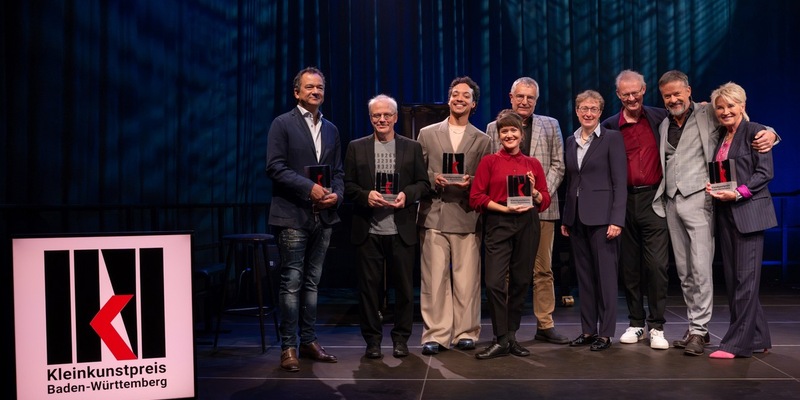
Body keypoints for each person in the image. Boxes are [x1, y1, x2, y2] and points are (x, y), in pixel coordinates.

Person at [655, 70, 778, 356]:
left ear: (688, 91)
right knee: (685, 271)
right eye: (667, 95)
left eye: (677, 93)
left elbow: (745, 121)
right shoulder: (663, 123)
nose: (673, 99)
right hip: (673, 201)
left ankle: (701, 330)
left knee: (702, 269)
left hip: (702, 200)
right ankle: (699, 327)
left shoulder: (708, 112)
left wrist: (772, 133)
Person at [266, 67, 343, 372]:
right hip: (292, 215)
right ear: (297, 92)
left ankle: (309, 341)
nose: (315, 91)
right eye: (309, 87)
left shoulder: (331, 129)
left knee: (312, 283)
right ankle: (288, 346)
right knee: (292, 282)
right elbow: (275, 167)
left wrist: (337, 195)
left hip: (323, 217)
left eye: (320, 87)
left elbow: (338, 171)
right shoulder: (282, 123)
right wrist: (308, 187)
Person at [344, 94, 429, 359]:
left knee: (404, 290)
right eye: (376, 115)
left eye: (386, 115)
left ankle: (401, 339)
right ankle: (372, 341)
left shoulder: (411, 147)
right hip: (368, 230)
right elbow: (347, 186)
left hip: (401, 229)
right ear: (370, 118)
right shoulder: (356, 147)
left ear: (395, 117)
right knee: (369, 291)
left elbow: (423, 184)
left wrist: (407, 195)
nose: (382, 119)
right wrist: (365, 195)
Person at [486, 77, 568, 344]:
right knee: (508, 273)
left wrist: (538, 195)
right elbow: (491, 167)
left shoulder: (550, 124)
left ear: (536, 100)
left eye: (530, 97)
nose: (524, 101)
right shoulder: (493, 127)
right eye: (520, 96)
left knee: (543, 270)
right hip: (505, 213)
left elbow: (558, 164)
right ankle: (507, 331)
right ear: (511, 97)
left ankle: (545, 324)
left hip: (541, 209)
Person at [416, 76, 492, 355]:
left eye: (465, 96)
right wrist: (433, 178)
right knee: (434, 278)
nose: (459, 99)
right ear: (449, 99)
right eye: (455, 94)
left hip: (466, 214)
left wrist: (472, 182)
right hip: (434, 213)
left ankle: (465, 332)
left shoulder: (483, 139)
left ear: (474, 104)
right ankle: (436, 334)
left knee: (467, 279)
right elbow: (417, 172)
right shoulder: (427, 133)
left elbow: (487, 178)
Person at [469, 110, 551, 359]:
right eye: (504, 131)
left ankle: (511, 337)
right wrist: (504, 208)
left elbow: (545, 200)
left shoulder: (533, 164)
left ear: (521, 134)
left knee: (521, 281)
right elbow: (476, 197)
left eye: (513, 130)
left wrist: (534, 192)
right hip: (499, 221)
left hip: (527, 222)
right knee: (494, 282)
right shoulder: (489, 162)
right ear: (499, 135)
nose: (509, 135)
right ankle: (500, 337)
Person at [600, 70, 670, 350]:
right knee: (629, 267)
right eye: (625, 94)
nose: (631, 98)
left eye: (635, 92)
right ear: (618, 95)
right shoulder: (608, 126)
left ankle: (657, 326)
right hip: (622, 202)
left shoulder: (661, 118)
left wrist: (767, 132)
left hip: (654, 199)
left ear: (644, 90)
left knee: (657, 266)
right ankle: (636, 322)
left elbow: (698, 117)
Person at [704, 82, 775, 358]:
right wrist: (715, 187)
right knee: (735, 281)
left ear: (742, 106)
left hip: (749, 214)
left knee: (746, 280)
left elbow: (764, 173)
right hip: (726, 215)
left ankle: (737, 344)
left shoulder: (756, 132)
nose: (725, 112)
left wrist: (737, 193)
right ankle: (758, 337)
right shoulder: (722, 136)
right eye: (720, 107)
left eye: (731, 106)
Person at [561, 90, 627, 352]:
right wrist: (567, 217)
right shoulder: (570, 140)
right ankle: (588, 330)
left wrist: (617, 219)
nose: (588, 113)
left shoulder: (612, 138)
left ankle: (606, 333)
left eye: (594, 109)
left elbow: (619, 182)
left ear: (600, 112)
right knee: (585, 279)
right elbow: (571, 182)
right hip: (577, 218)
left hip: (603, 219)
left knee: (606, 279)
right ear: (577, 111)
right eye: (584, 108)